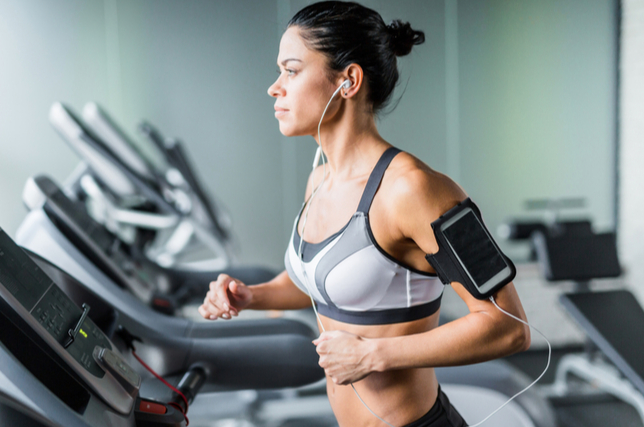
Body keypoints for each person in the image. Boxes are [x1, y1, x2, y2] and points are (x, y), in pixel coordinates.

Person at [198, 2, 530, 426]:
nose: (274, 87)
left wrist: (373, 355)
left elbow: (508, 326)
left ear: (348, 81)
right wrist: (252, 296)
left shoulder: (416, 189)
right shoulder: (320, 181)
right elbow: (326, 285)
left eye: (292, 70)